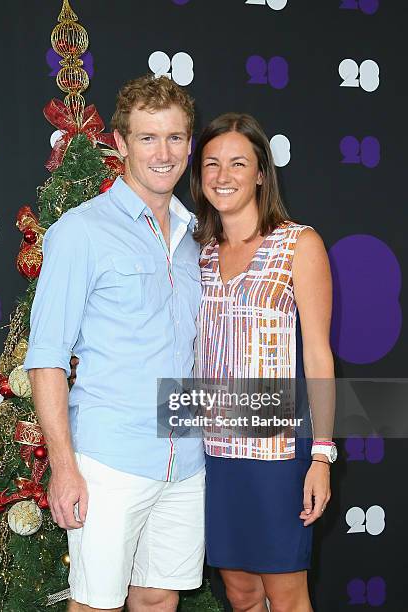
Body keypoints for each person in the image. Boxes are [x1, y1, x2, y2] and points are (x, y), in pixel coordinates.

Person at [24, 75, 205, 612]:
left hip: (185, 459)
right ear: (121, 144)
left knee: (156, 599)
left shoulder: (198, 237)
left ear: (190, 146)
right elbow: (46, 358)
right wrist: (63, 466)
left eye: (175, 137)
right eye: (148, 138)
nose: (163, 152)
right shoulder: (81, 232)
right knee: (96, 604)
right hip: (108, 461)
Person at [191, 113, 335, 612]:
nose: (223, 175)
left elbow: (318, 353)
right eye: (211, 164)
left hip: (277, 453)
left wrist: (321, 456)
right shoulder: (197, 253)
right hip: (211, 452)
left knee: (287, 594)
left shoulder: (300, 244)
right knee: (240, 592)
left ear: (259, 173)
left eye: (237, 163)